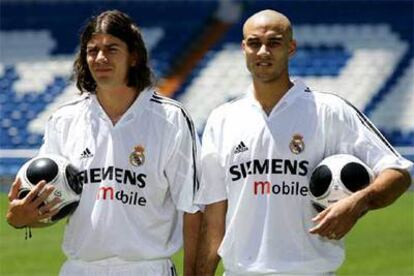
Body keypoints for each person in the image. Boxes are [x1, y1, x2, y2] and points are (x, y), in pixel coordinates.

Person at [195, 9, 413, 275]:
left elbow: (399, 173)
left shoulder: (330, 111)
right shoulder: (222, 119)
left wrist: (360, 201)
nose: (263, 51)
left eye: (274, 42)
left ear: (291, 47)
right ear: (243, 48)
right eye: (254, 43)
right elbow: (214, 217)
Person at [6, 10, 202, 276]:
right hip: (80, 269)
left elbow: (193, 209)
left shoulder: (171, 119)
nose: (100, 58)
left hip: (146, 269)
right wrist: (21, 219)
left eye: (111, 49)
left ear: (134, 56)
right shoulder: (64, 120)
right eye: (92, 50)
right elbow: (51, 207)